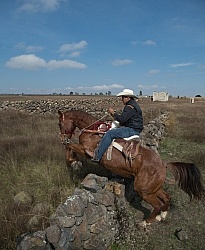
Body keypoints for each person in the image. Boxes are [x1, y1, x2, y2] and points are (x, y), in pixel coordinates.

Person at [85, 89, 143, 162]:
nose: (122, 99)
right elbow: (127, 119)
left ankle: (97, 156)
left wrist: (113, 113)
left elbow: (122, 119)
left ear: (128, 97)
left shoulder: (129, 107)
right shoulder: (134, 105)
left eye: (123, 97)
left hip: (132, 130)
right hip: (135, 128)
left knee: (109, 133)